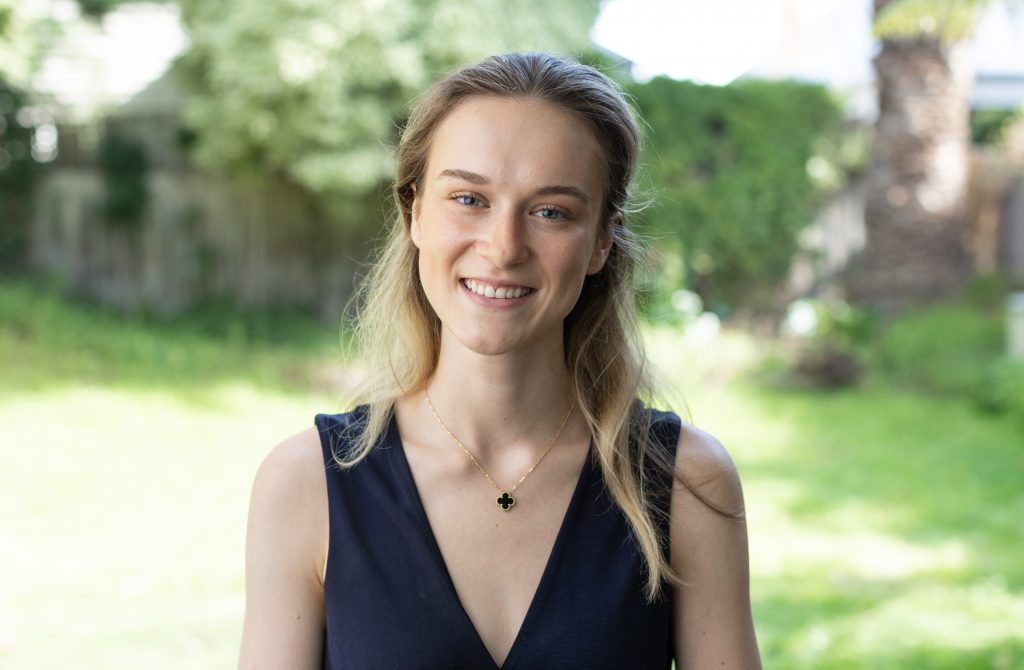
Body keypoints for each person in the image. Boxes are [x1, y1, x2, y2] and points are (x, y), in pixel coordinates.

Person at [238, 52, 761, 669]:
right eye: (468, 198)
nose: (503, 246)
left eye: (551, 211)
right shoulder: (307, 483)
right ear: (415, 214)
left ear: (600, 241)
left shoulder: (684, 485)